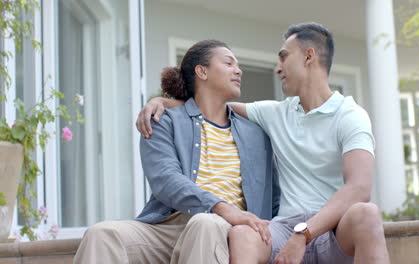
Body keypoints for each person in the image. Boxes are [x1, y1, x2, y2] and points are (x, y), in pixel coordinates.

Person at [137, 23, 390, 264]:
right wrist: (163, 103)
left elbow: (359, 188)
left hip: (333, 230)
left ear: (308, 57)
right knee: (242, 234)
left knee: (366, 213)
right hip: (282, 229)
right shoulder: (274, 113)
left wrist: (303, 235)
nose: (277, 68)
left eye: (283, 57)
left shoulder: (350, 115)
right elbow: (212, 105)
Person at [74, 39, 280, 264]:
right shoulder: (164, 121)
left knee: (205, 223)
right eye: (229, 63)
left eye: (237, 65)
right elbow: (165, 179)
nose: (238, 70)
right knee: (102, 234)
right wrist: (220, 206)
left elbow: (275, 197)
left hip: (229, 230)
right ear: (202, 71)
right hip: (170, 224)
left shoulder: (256, 134)